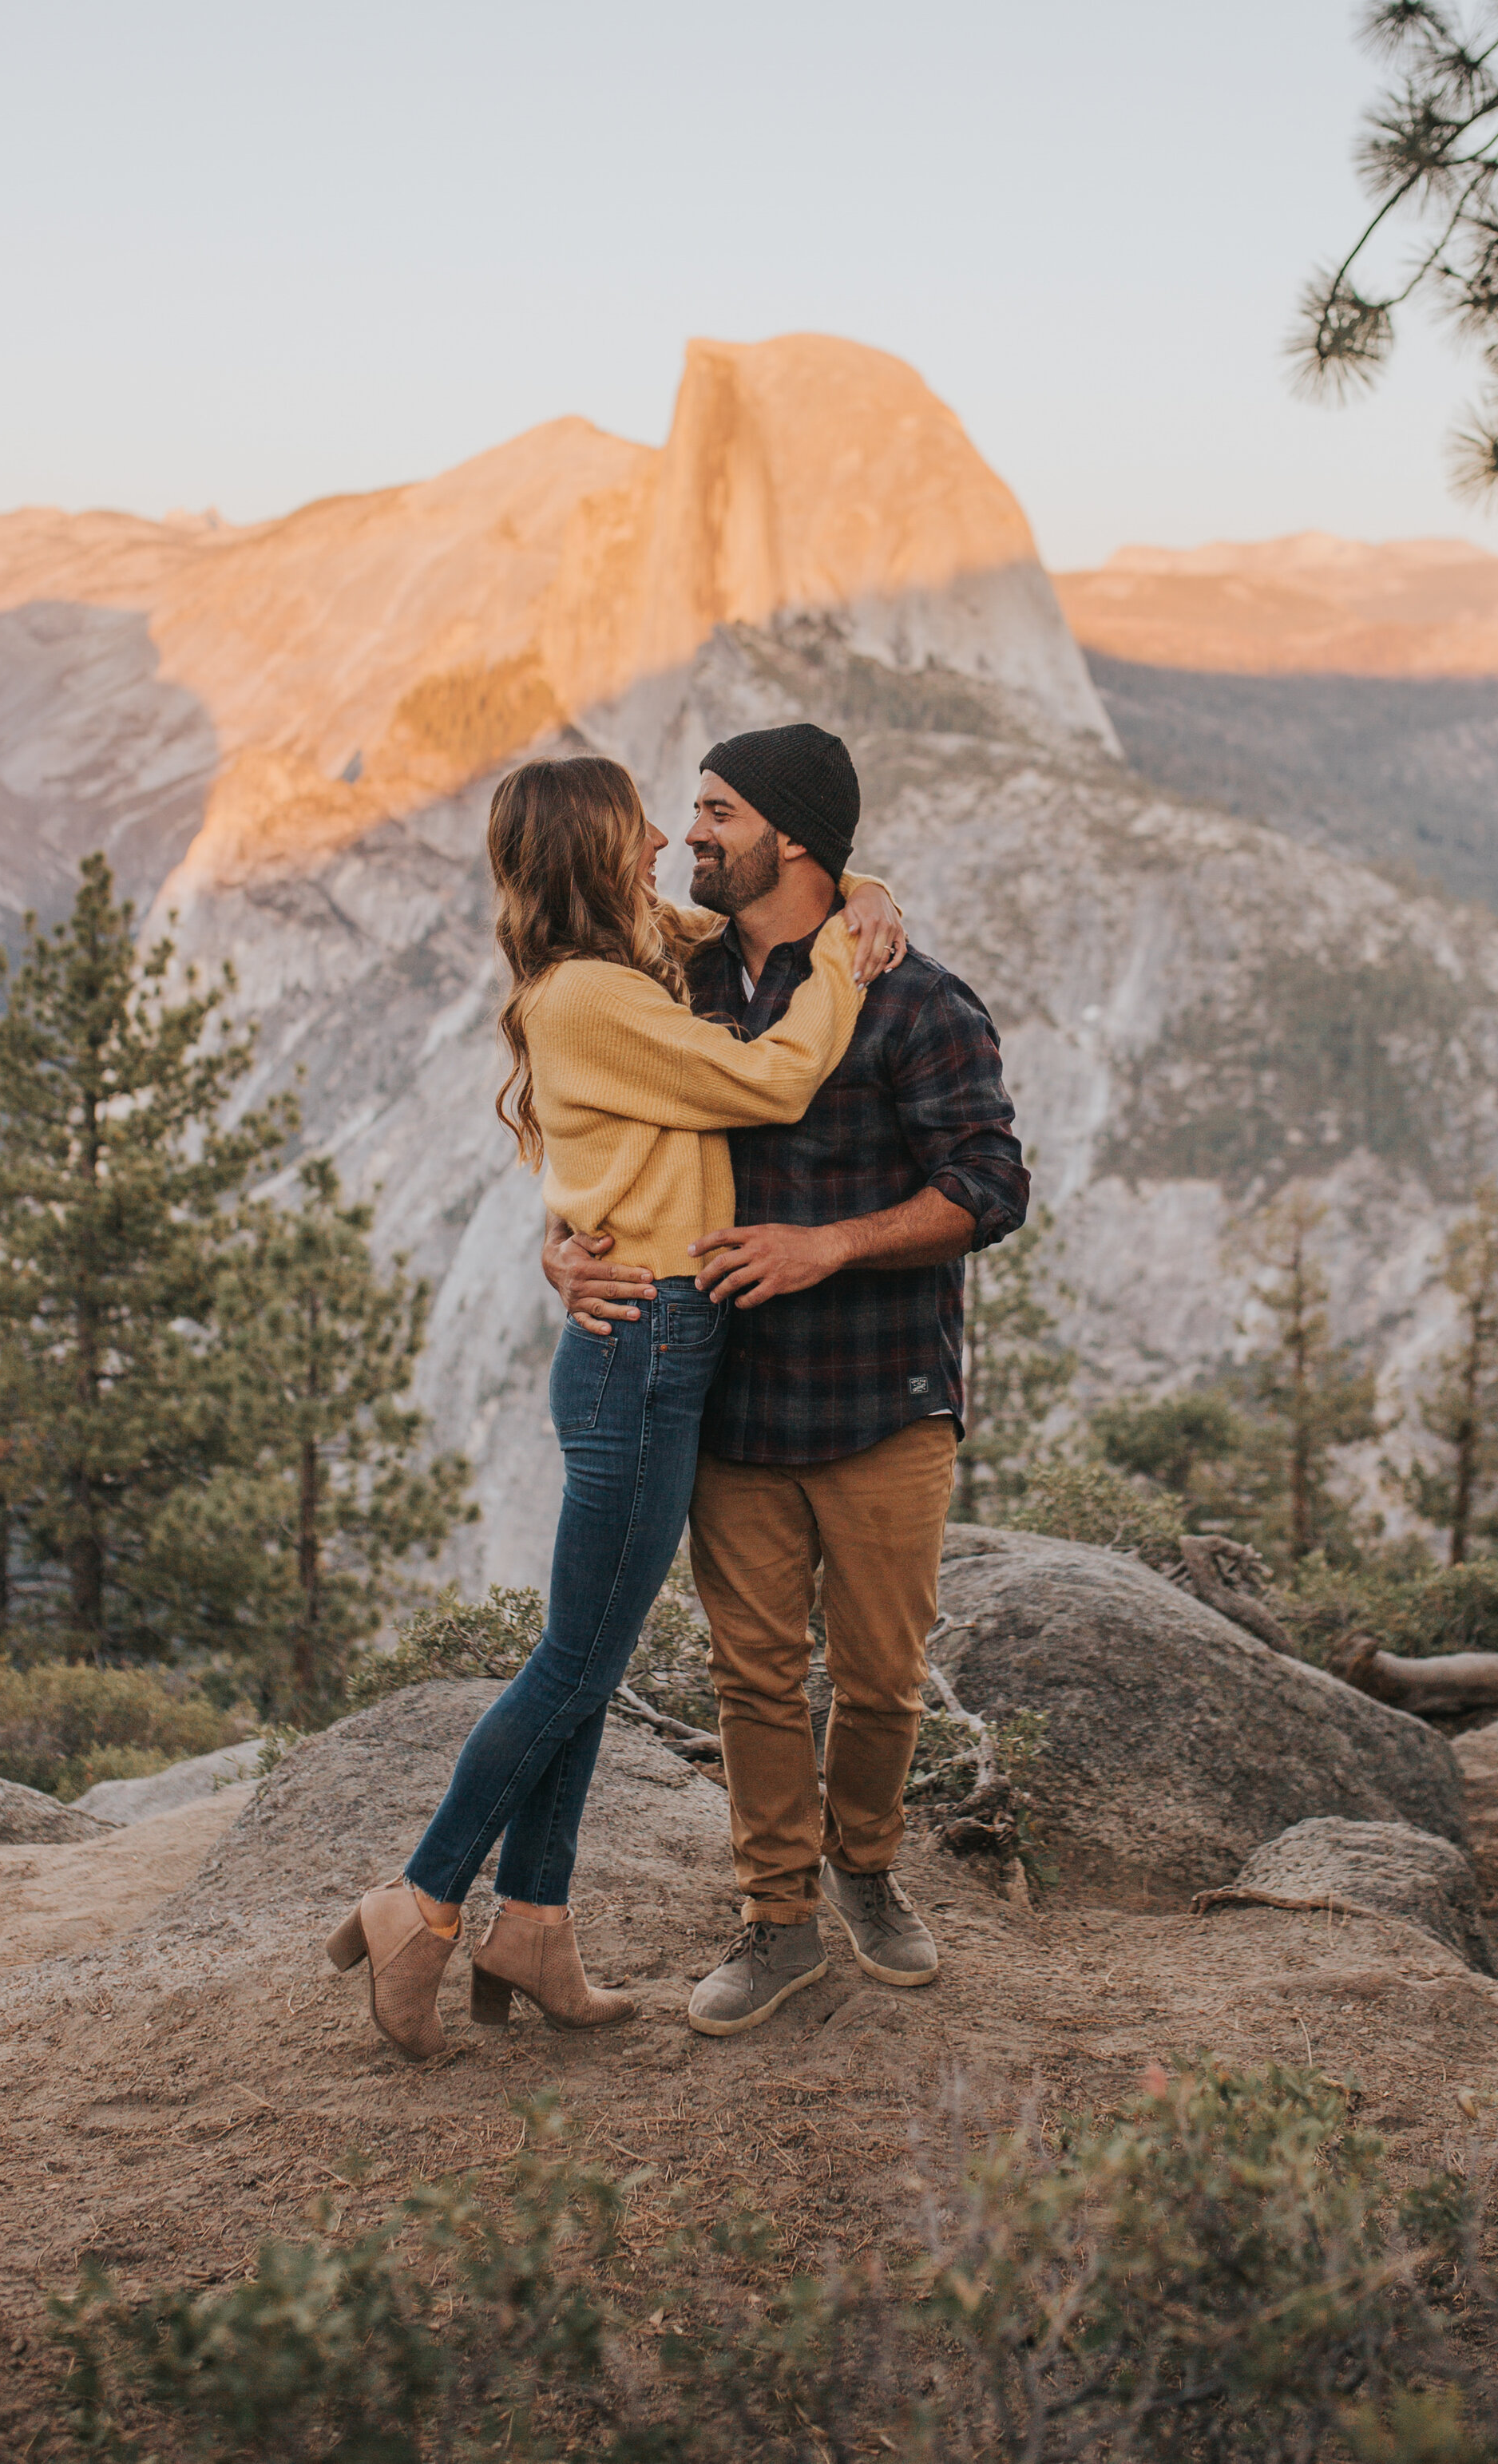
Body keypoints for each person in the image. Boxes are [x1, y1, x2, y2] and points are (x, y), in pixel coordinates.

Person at [326, 751, 906, 2058]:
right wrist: (841, 969)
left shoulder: (627, 960)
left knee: (589, 1661)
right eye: (636, 819)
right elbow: (773, 1083)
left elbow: (773, 901)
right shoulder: (590, 993)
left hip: (654, 1334)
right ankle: (420, 1901)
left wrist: (861, 884)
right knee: (577, 1661)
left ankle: (533, 1921)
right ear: (591, 849)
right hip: (643, 1341)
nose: (662, 836)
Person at [545, 722, 1028, 2038]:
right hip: (733, 1403)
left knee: (879, 1679)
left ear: (793, 837)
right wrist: (560, 1248)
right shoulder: (673, 980)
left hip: (880, 1401)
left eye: (715, 811)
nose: (689, 835)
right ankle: (779, 1916)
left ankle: (866, 1867)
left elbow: (991, 1186)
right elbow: (587, 1120)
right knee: (752, 1679)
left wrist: (834, 1244)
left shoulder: (915, 997)